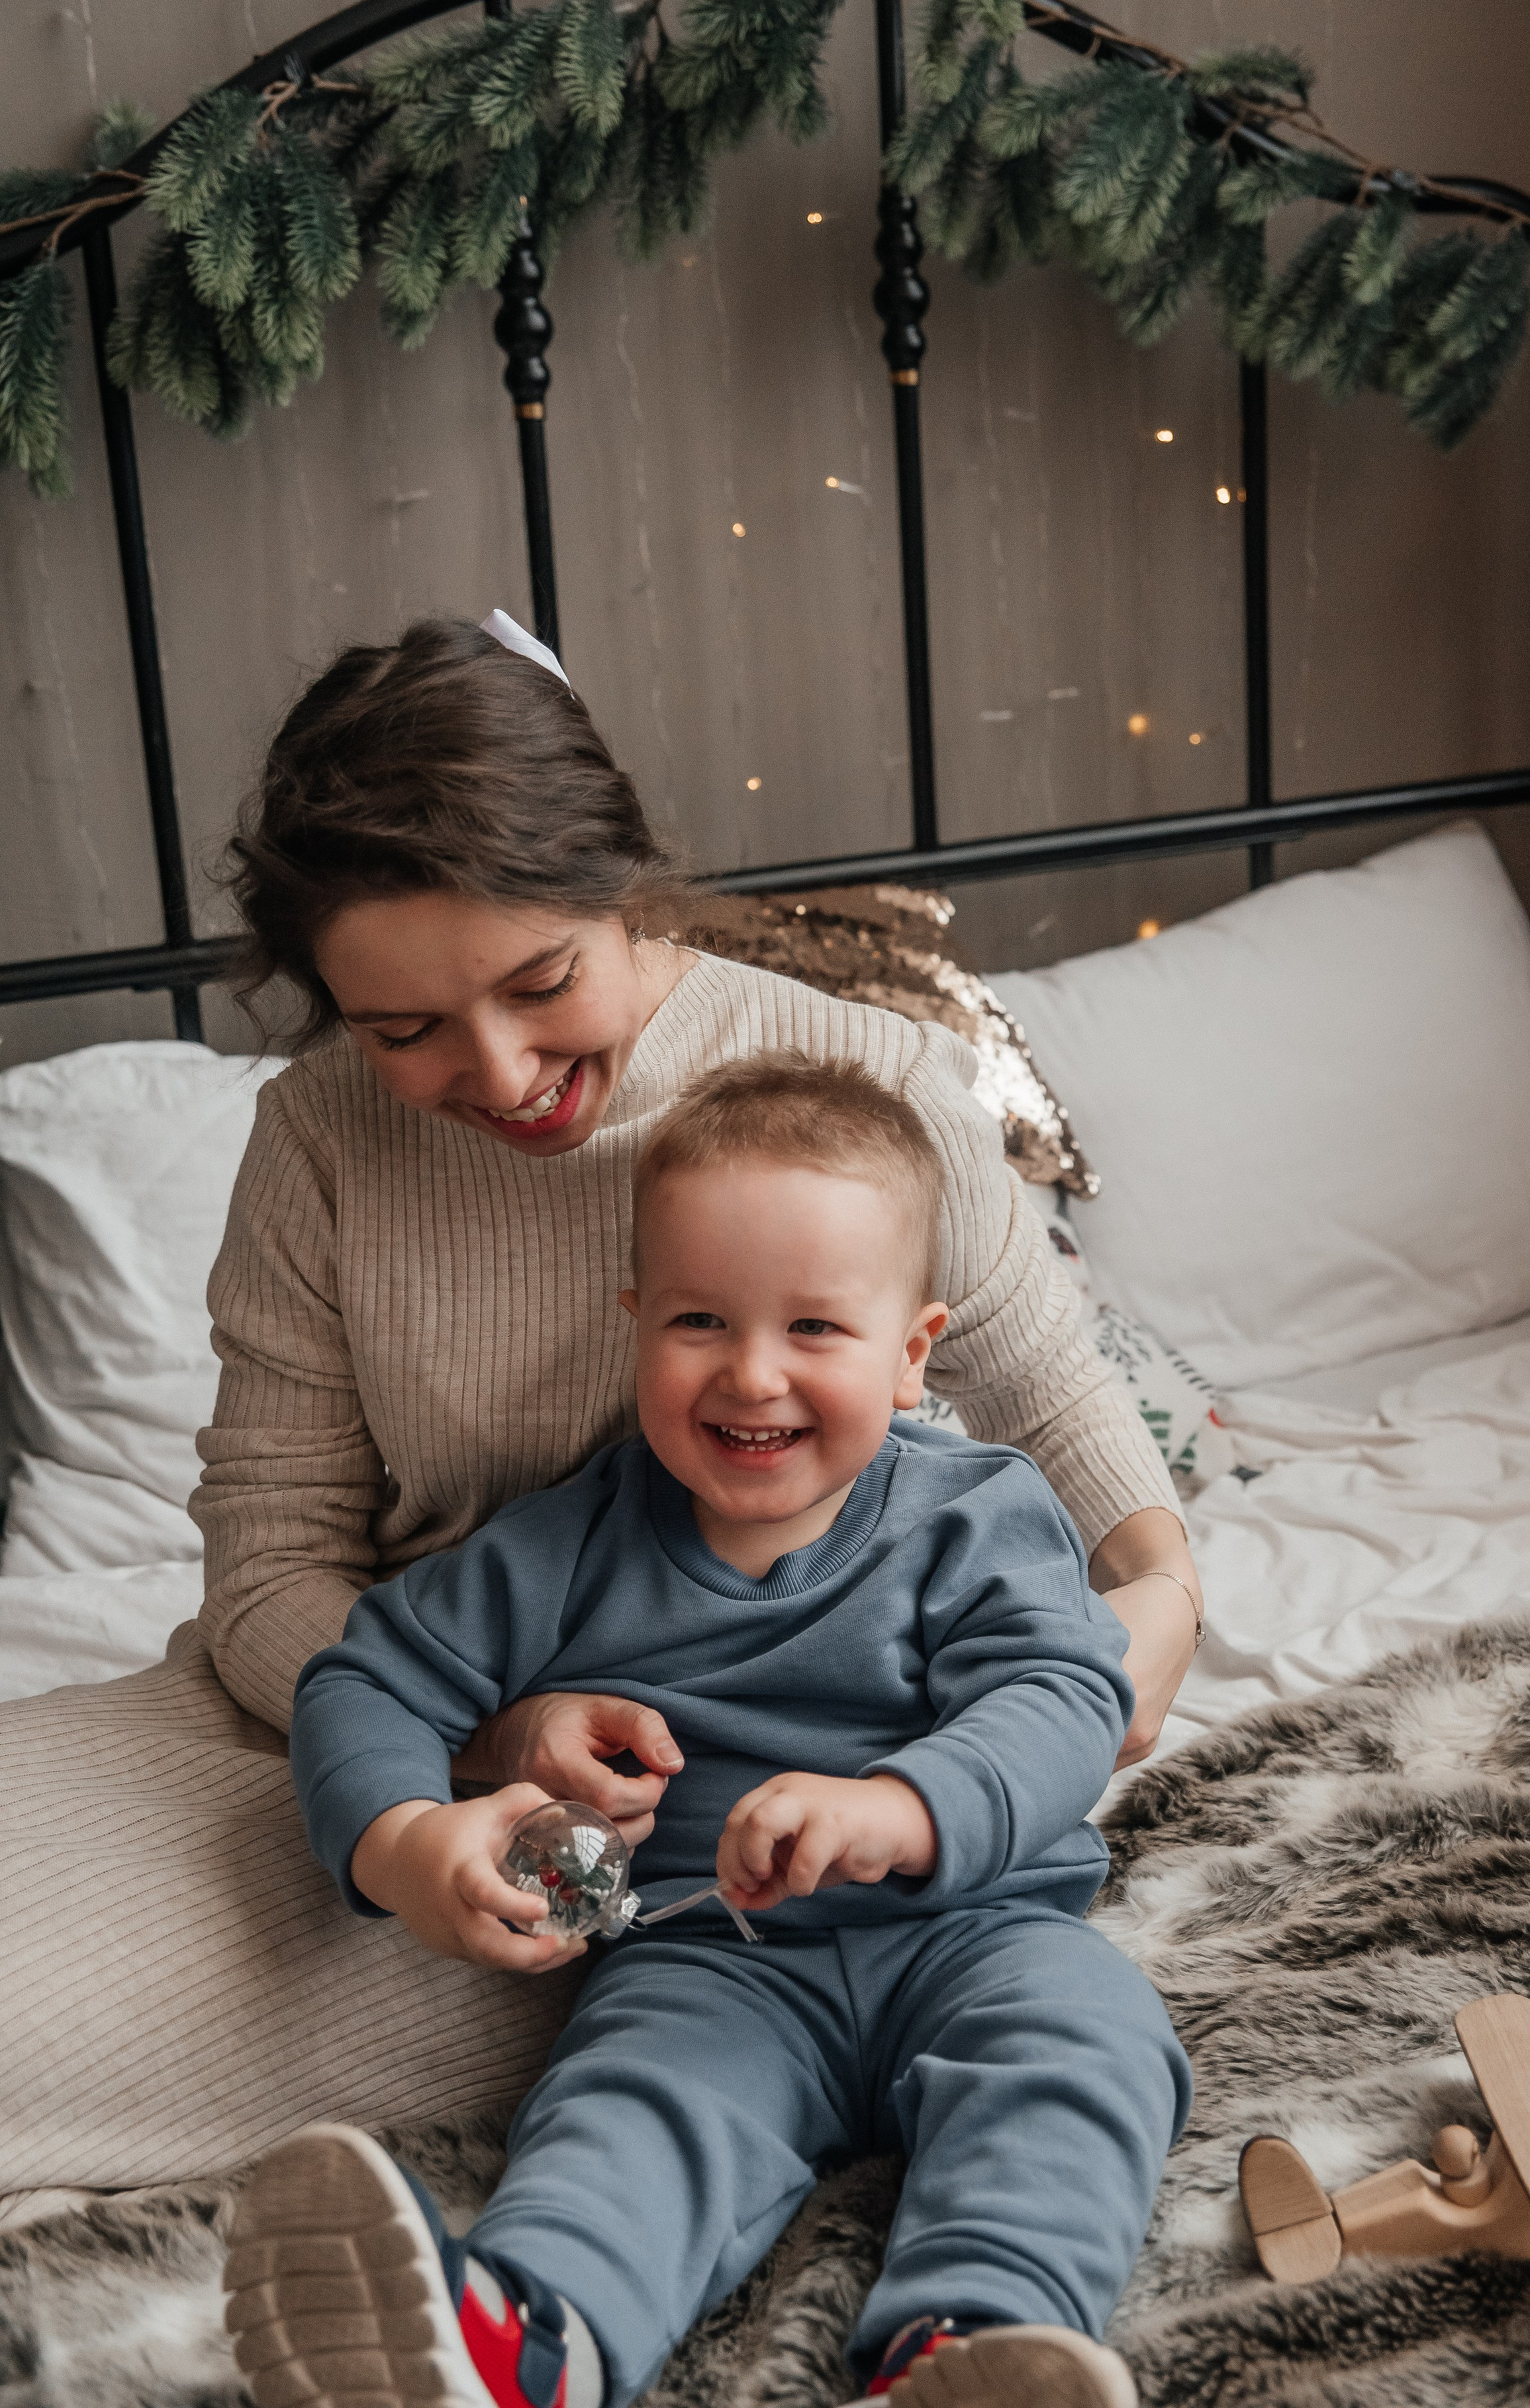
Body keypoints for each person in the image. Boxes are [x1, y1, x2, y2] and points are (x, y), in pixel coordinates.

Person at [0, 613, 1200, 2197]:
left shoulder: (861, 1079)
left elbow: (1055, 1408)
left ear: (618, 885)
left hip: (742, 1796)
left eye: (540, 981)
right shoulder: (318, 1143)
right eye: (404, 1029)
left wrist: (1158, 1593)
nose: (496, 1073)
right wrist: (469, 1749)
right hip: (383, 1714)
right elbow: (273, 1571)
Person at [229, 1056, 1191, 2408]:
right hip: (707, 1962)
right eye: (698, 1321)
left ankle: (966, 2346)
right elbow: (363, 1680)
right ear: (633, 1323)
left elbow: (1065, 1696)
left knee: (1088, 2045)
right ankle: (519, 2350)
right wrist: (404, 1842)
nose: (752, 1374)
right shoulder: (566, 1542)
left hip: (974, 1930)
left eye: (814, 1329)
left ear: (913, 1351)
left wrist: (899, 1809)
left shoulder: (972, 1514)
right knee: (626, 2115)